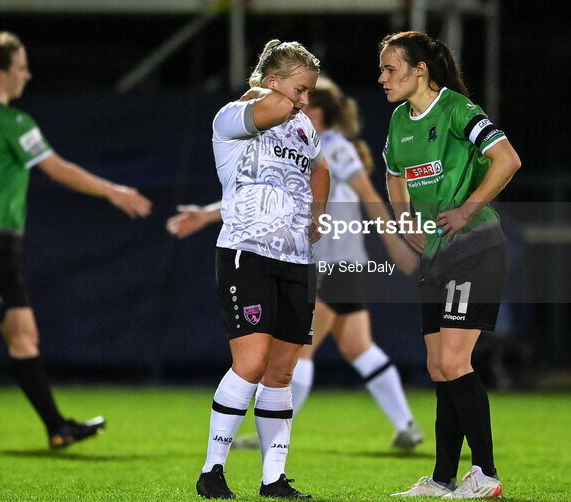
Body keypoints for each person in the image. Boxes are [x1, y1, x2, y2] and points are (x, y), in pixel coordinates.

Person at [0, 32, 152, 449]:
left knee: (24, 335)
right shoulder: (12, 122)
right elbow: (57, 168)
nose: (28, 74)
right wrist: (113, 191)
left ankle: (56, 428)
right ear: (3, 74)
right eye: (22, 68)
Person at [168, 76, 423, 452]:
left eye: (304, 102)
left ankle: (268, 436)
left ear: (319, 111)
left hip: (331, 265)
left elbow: (370, 196)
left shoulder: (332, 148)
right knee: (358, 347)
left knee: (295, 351)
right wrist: (207, 216)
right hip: (342, 264)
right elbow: (264, 199)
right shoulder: (301, 145)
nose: (296, 108)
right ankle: (407, 426)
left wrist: (396, 242)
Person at [377, 32, 521, 499]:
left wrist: (465, 209)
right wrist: (403, 219)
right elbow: (393, 173)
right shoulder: (400, 120)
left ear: (421, 71)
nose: (382, 78)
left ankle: (486, 474)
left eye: (391, 69)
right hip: (437, 254)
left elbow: (508, 159)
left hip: (474, 246)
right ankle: (442, 479)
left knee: (455, 361)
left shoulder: (457, 109)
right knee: (438, 366)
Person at [191, 39, 328, 500]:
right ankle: (212, 471)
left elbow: (320, 168)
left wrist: (316, 215)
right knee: (249, 364)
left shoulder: (302, 125)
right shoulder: (232, 117)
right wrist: (273, 95)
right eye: (301, 89)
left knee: (281, 373)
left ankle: (274, 480)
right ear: (272, 83)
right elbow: (269, 108)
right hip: (246, 254)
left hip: (296, 261)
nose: (306, 100)